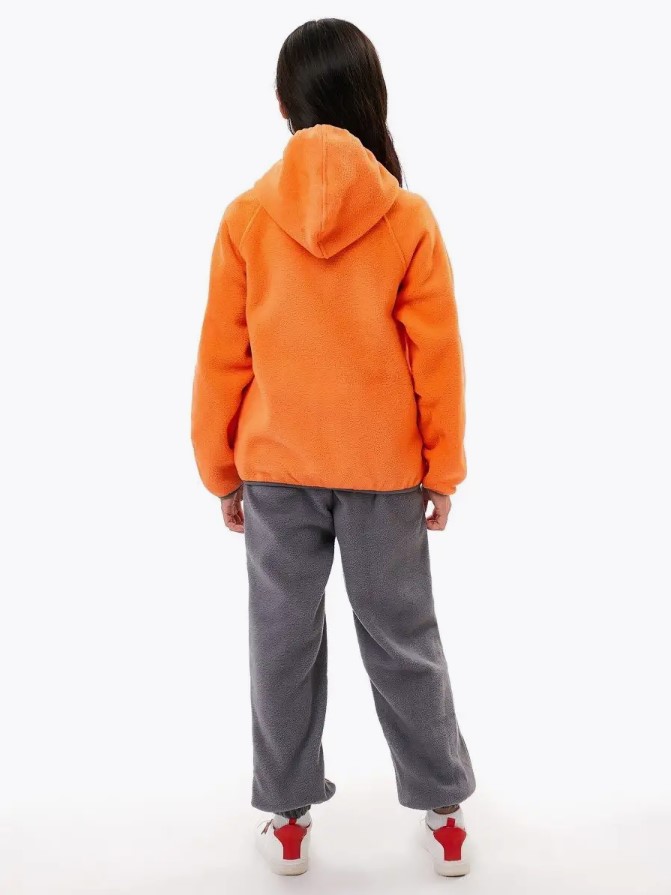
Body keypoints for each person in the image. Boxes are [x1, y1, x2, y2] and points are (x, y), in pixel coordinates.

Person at [191, 18, 476, 878]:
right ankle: (445, 814)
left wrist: (220, 470)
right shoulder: (406, 217)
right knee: (403, 637)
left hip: (275, 468)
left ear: (283, 103)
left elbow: (223, 355)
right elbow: (435, 356)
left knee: (281, 639)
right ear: (369, 97)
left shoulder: (247, 217)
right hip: (382, 471)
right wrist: (441, 467)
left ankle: (286, 819)